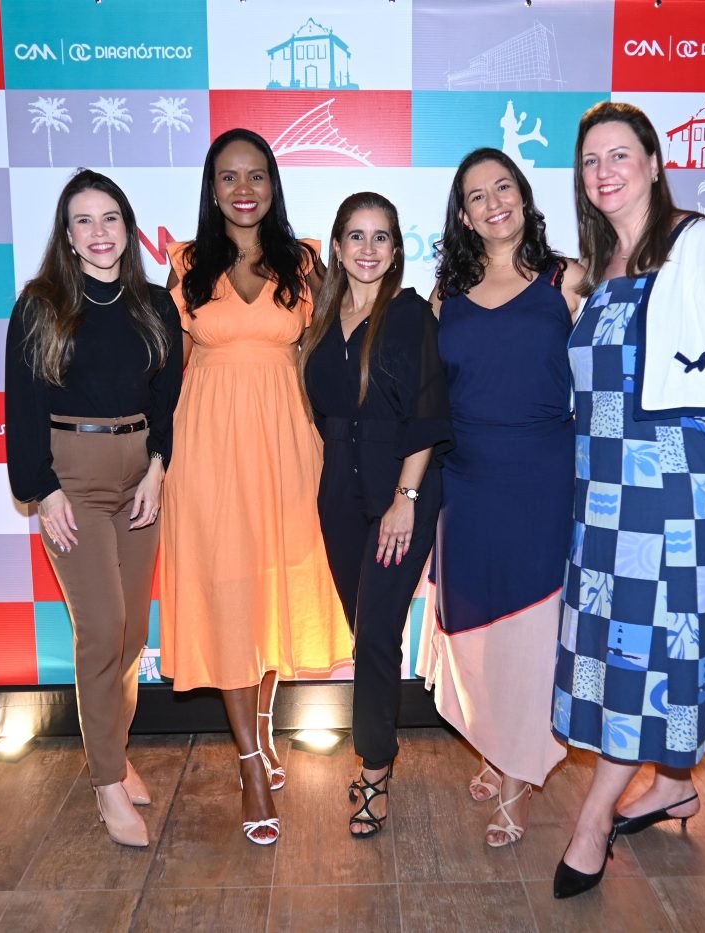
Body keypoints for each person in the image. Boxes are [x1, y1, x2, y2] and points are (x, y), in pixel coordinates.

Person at [551, 101, 705, 899]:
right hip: (606, 496)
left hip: (678, 492)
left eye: (620, 154)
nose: (604, 171)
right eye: (590, 161)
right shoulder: (598, 266)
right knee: (634, 659)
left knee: (648, 660)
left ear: (652, 160)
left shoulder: (701, 243)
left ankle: (592, 823)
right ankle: (673, 782)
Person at [159, 128, 352, 846]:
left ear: (273, 185)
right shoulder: (185, 264)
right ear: (212, 189)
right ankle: (248, 765)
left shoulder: (303, 264)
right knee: (231, 593)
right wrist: (153, 455)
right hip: (208, 450)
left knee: (270, 593)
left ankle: (262, 733)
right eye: (229, 177)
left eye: (258, 176)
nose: (244, 189)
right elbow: (169, 368)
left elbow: (326, 355)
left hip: (286, 445)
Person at [4, 169, 182, 848]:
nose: (100, 232)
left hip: (139, 474)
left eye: (111, 217)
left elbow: (167, 399)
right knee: (101, 628)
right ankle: (107, 780)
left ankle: (115, 748)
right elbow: (21, 407)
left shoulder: (155, 305)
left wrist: (159, 467)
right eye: (85, 220)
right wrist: (41, 490)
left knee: (134, 632)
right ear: (67, 235)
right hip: (70, 477)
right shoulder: (40, 305)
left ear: (128, 228)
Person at [420, 148, 585, 847]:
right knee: (476, 631)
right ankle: (494, 741)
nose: (494, 203)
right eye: (477, 196)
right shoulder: (443, 299)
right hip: (466, 482)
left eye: (504, 188)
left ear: (523, 196)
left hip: (543, 477)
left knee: (528, 637)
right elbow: (428, 403)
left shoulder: (568, 278)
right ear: (462, 215)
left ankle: (516, 776)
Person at [301, 193, 452, 839]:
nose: (368, 249)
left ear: (396, 249)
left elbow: (426, 411)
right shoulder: (320, 318)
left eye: (382, 237)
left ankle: (374, 769)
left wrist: (406, 500)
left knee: (376, 636)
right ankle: (378, 747)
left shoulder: (412, 314)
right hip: (338, 498)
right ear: (337, 246)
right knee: (363, 627)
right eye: (356, 236)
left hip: (403, 496)